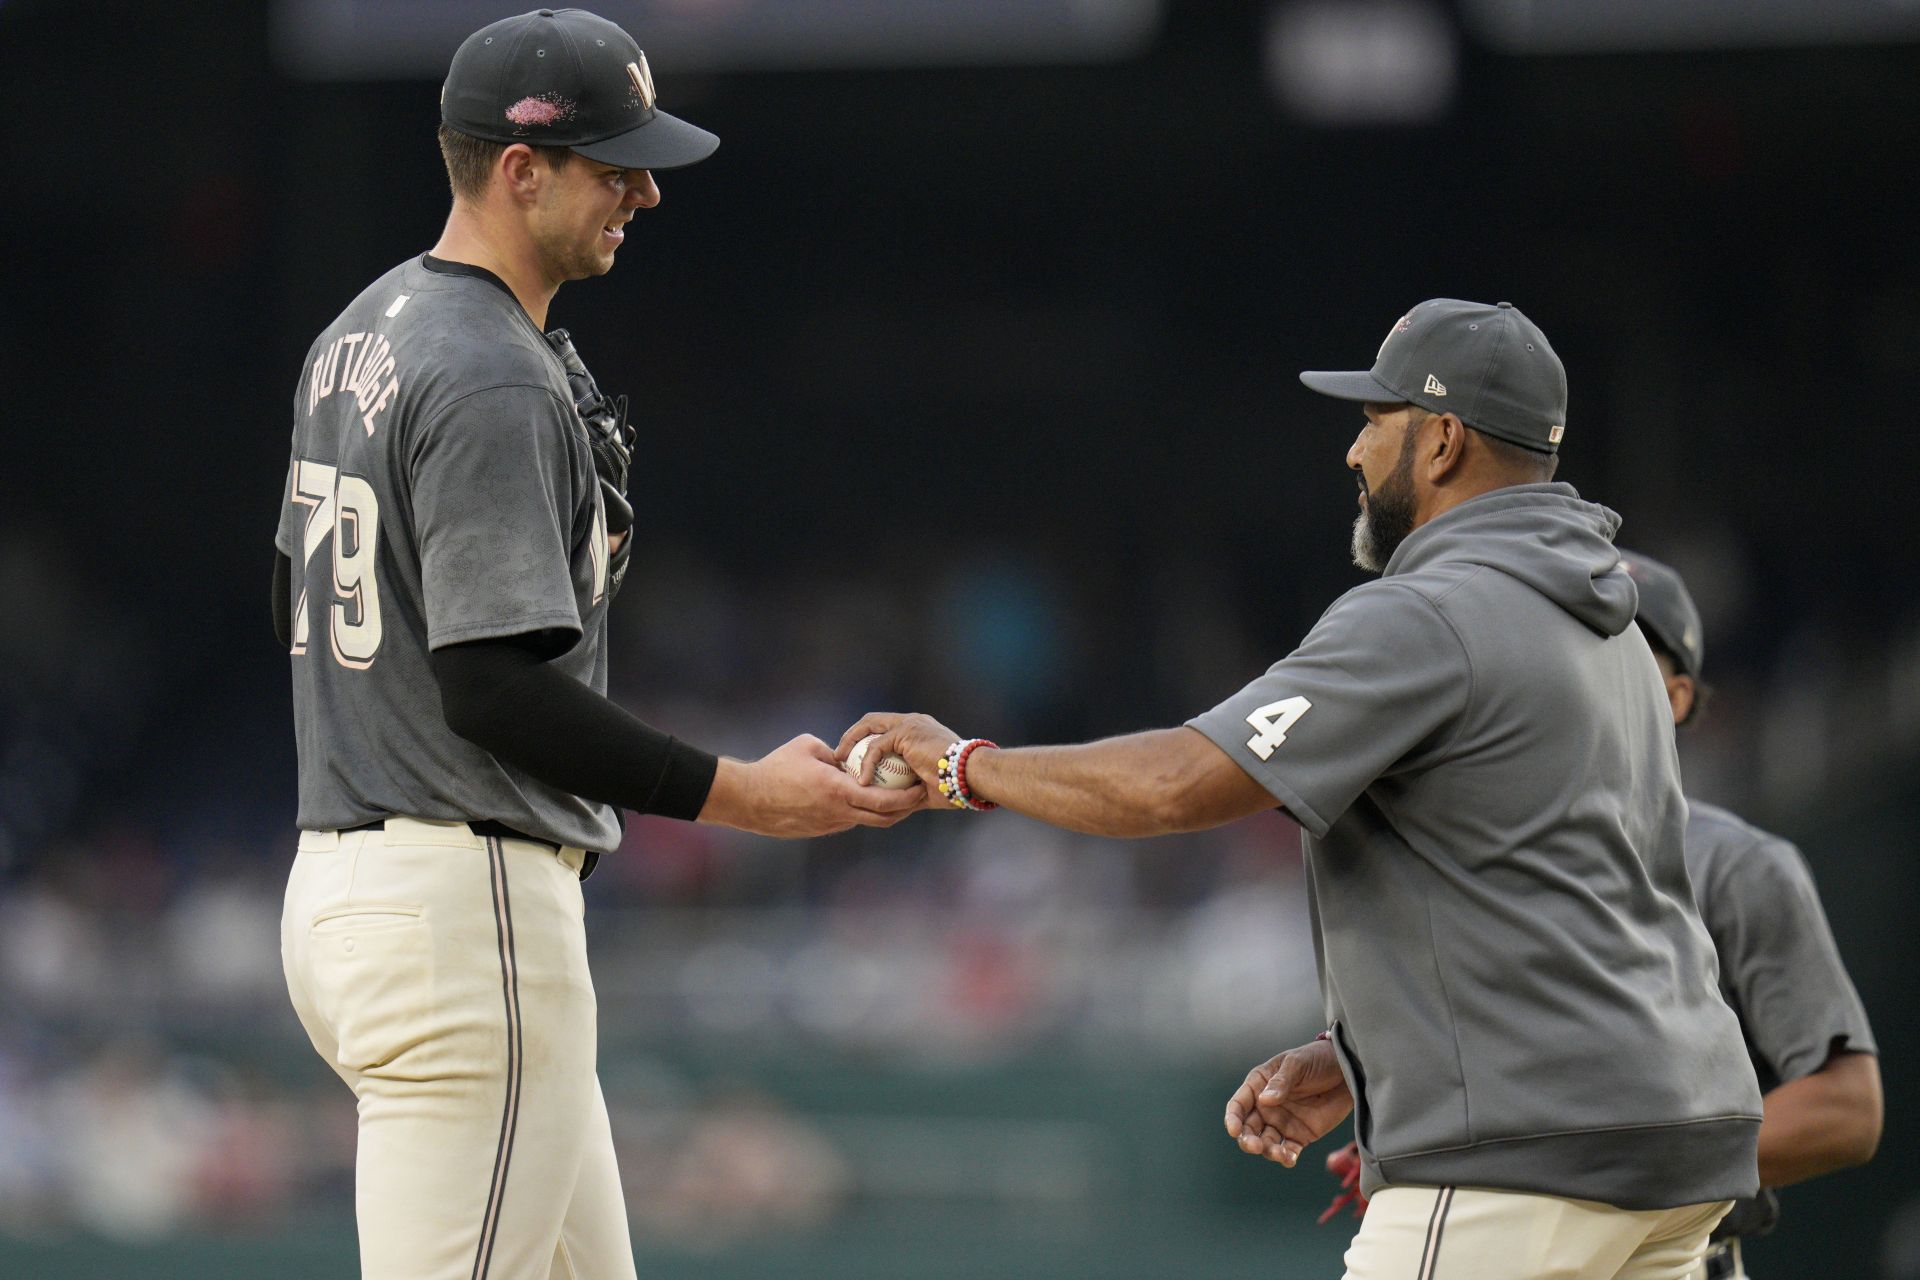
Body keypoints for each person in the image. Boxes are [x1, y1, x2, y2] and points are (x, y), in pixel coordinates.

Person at [842, 299, 1762, 1279]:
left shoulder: (1434, 608)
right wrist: (1363, 1051)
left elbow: (1176, 783)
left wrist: (961, 766)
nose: (1356, 452)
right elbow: (1587, 892)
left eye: (1376, 419)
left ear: (1443, 439)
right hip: (1683, 1134)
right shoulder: (1611, 626)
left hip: (1526, 1146)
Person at [270, 10, 919, 1277]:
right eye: (614, 162)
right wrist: (746, 796)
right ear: (521, 169)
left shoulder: (359, 331)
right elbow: (493, 688)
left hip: (353, 877)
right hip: (465, 907)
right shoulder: (491, 368)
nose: (647, 189)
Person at [1618, 550, 1881, 1279]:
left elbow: (1847, 1109)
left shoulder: (1734, 864)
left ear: (1675, 696)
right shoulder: (1501, 861)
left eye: (1614, 642)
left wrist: (1614, 1166)